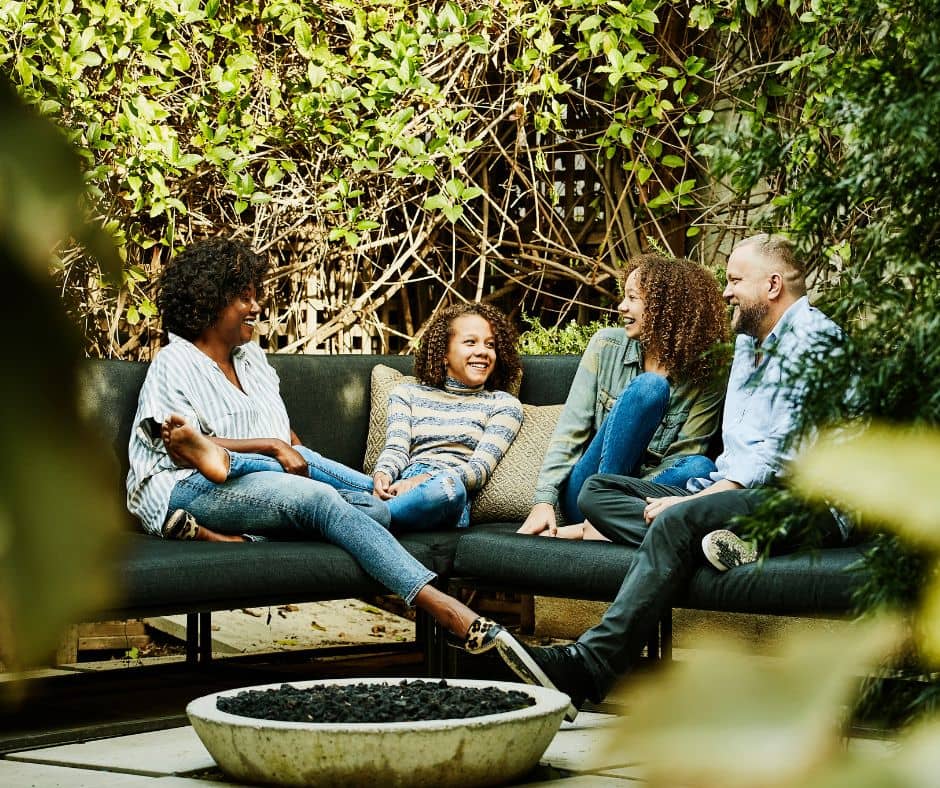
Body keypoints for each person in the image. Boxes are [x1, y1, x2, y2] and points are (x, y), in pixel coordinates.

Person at [125, 238, 536, 691]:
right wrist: (273, 449)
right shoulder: (175, 362)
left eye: (256, 294)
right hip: (184, 484)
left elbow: (286, 438)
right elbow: (176, 448)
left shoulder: (252, 359)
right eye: (245, 296)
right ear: (210, 300)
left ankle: (236, 519)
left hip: (256, 477)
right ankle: (447, 610)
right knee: (317, 499)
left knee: (368, 500)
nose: (256, 306)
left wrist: (292, 455)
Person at [492, 234, 846, 711]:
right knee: (601, 491)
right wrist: (702, 497)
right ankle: (723, 546)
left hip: (806, 502)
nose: (726, 291)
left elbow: (780, 458)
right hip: (746, 498)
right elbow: (739, 453)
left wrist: (694, 501)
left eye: (735, 280)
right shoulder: (749, 344)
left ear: (773, 285)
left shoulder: (814, 342)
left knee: (678, 522)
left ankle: (591, 665)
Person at [161, 302, 524, 534]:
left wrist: (420, 482)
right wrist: (383, 476)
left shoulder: (503, 405)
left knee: (448, 489)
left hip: (441, 495)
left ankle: (340, 512)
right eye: (471, 342)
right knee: (303, 456)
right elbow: (396, 449)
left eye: (490, 344)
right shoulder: (408, 393)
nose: (483, 352)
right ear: (444, 352)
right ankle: (226, 459)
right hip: (394, 488)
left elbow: (477, 471)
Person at [517, 254, 728, 540]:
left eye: (633, 298)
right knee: (649, 388)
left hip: (643, 495)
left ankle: (597, 527)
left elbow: (683, 456)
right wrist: (543, 501)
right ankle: (597, 518)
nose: (621, 306)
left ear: (667, 307)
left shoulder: (707, 372)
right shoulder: (605, 345)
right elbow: (569, 432)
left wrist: (628, 497)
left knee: (700, 467)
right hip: (587, 491)